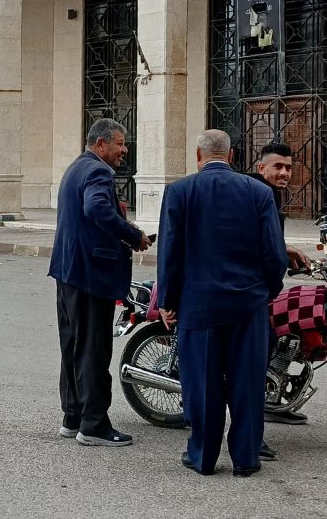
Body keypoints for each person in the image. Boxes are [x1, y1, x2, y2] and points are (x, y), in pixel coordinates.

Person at [158, 130, 288, 478]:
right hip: (248, 306)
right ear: (230, 157)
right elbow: (274, 254)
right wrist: (268, 291)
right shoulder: (259, 192)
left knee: (202, 384)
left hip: (199, 307)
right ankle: (246, 458)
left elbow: (169, 252)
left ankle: (202, 457)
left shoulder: (179, 191)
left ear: (198, 156)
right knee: (248, 383)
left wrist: (168, 300)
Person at [48, 118, 151, 448]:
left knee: (73, 345)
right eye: (119, 143)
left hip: (68, 271)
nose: (124, 149)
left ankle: (73, 416)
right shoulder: (98, 171)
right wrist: (132, 234)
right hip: (91, 273)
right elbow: (96, 209)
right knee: (93, 348)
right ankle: (93, 424)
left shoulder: (75, 167)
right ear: (100, 144)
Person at [246, 142, 310, 432]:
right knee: (264, 342)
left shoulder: (269, 193)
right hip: (252, 288)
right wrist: (275, 282)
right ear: (262, 168)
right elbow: (261, 246)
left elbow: (266, 238)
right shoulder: (260, 194)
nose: (284, 172)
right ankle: (258, 411)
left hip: (258, 284)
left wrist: (288, 248)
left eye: (288, 167)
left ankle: (273, 399)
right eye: (278, 167)